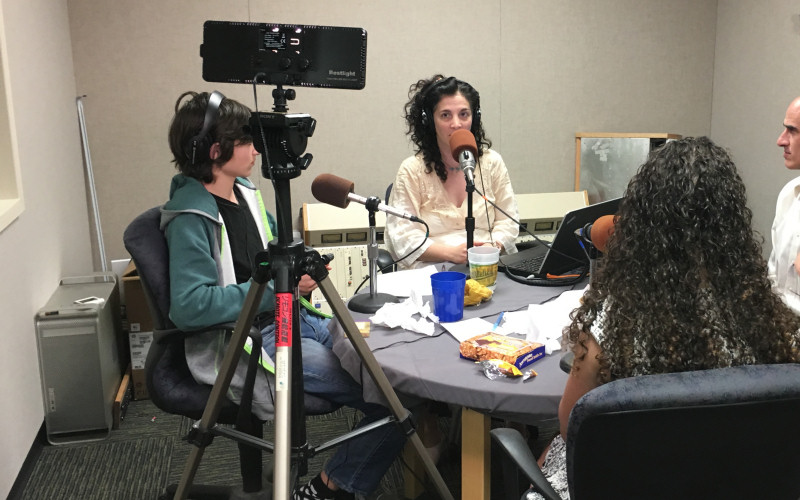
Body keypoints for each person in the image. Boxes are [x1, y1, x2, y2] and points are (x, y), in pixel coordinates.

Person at [161, 91, 404, 500]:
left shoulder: (245, 192)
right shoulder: (190, 218)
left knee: (390, 365)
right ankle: (331, 488)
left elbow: (278, 250)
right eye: (247, 141)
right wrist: (280, 288)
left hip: (294, 317)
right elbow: (189, 306)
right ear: (216, 150)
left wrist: (302, 268)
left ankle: (341, 480)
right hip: (251, 342)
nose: (257, 150)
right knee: (392, 397)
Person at [531, 137, 800, 499]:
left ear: (642, 222)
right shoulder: (766, 318)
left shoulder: (611, 322)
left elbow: (571, 427)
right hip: (733, 483)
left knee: (551, 451)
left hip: (632, 485)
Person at [385, 75, 519, 270]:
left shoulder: (492, 162)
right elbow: (403, 236)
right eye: (445, 115)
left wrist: (491, 247)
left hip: (487, 264)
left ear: (475, 117)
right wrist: (452, 254)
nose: (456, 123)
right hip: (433, 270)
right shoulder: (411, 170)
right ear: (430, 120)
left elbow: (508, 222)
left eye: (464, 114)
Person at [769, 96, 800, 315]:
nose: (781, 141)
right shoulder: (789, 194)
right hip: (781, 329)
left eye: (793, 131)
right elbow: (774, 279)